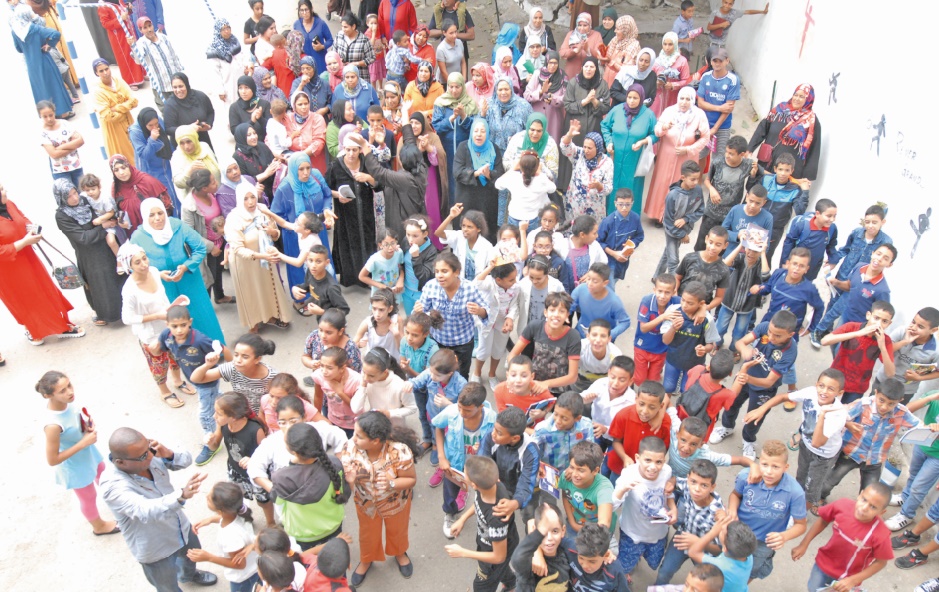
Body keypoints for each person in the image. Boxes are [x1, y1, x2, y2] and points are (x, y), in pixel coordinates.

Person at [99, 427, 216, 588]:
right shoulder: (112, 485)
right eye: (143, 455)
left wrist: (168, 453)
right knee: (167, 587)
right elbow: (144, 510)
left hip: (180, 527)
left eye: (149, 448)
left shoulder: (147, 455)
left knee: (191, 556)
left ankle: (187, 575)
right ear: (120, 462)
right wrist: (181, 495)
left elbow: (186, 460)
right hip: (156, 547)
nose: (151, 456)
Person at [339, 411, 419, 584]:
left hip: (397, 503)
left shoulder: (399, 451)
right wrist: (350, 482)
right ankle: (367, 559)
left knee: (398, 530)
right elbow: (346, 489)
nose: (353, 439)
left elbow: (411, 480)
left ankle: (399, 553)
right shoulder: (349, 449)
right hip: (365, 504)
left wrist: (392, 483)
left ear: (375, 441)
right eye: (354, 433)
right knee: (367, 535)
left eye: (359, 436)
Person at [0, 182, 84, 345]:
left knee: (43, 291)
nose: (5, 191)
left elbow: (22, 218)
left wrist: (31, 229)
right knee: (24, 299)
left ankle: (59, 326)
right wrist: (24, 242)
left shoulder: (8, 204)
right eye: (1, 190)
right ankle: (33, 330)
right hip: (8, 270)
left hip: (28, 259)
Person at [37, 370, 119, 537]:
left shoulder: (67, 403)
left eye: (69, 385)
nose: (70, 392)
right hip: (75, 466)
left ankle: (120, 506)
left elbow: (74, 420)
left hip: (89, 454)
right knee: (88, 496)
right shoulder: (52, 425)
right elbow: (52, 460)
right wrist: (83, 443)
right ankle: (99, 526)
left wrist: (86, 426)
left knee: (105, 478)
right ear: (48, 396)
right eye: (62, 391)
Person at [131, 198, 225, 342]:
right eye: (151, 215)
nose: (157, 218)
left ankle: (213, 349)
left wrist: (187, 266)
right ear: (144, 216)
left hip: (189, 280)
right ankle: (185, 359)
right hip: (162, 286)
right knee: (174, 322)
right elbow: (133, 266)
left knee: (201, 314)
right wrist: (156, 275)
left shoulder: (177, 226)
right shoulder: (138, 237)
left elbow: (199, 247)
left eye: (160, 213)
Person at [728, 440, 808, 583]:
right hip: (737, 532)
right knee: (728, 562)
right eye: (764, 465)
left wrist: (784, 536)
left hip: (763, 543)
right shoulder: (745, 476)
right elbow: (735, 495)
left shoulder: (795, 493)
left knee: (751, 570)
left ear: (786, 467)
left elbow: (801, 525)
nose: (769, 471)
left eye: (775, 466)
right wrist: (732, 510)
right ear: (759, 462)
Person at [795, 483, 893, 591]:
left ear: (881, 512)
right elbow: (823, 520)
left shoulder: (881, 534)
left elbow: (881, 562)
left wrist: (853, 580)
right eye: (864, 500)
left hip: (849, 578)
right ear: (860, 495)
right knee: (814, 589)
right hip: (823, 565)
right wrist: (803, 544)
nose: (864, 508)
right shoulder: (842, 505)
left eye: (873, 507)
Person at [52, 180, 123, 326]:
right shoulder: (62, 216)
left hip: (105, 247)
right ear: (61, 198)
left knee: (117, 277)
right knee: (100, 286)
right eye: (69, 196)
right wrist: (102, 226)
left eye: (74, 192)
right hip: (89, 256)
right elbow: (83, 238)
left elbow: (99, 213)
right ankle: (106, 314)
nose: (75, 198)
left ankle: (127, 309)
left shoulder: (84, 200)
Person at [444, 455, 519, 592]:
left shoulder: (497, 517)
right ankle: (511, 584)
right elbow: (479, 503)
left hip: (494, 554)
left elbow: (498, 556)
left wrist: (463, 553)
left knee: (480, 587)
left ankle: (511, 584)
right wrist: (462, 519)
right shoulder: (491, 486)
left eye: (464, 473)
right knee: (502, 569)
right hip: (492, 544)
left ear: (474, 485)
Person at [224, 184, 292, 332]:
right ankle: (253, 323)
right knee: (251, 292)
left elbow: (276, 234)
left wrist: (272, 231)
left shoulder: (262, 211)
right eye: (246, 198)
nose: (250, 202)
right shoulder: (234, 218)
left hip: (266, 259)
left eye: (253, 196)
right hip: (245, 263)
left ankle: (271, 316)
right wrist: (263, 256)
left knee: (267, 288)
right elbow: (238, 249)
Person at [611, 436, 677, 574]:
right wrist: (622, 489)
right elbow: (611, 507)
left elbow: (668, 493)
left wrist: (674, 509)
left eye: (658, 462)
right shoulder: (629, 474)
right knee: (624, 568)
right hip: (632, 534)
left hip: (658, 534)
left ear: (664, 461)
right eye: (648, 460)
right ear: (637, 458)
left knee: (654, 563)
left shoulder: (666, 471)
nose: (653, 467)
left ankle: (639, 556)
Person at [271, 152, 333, 291]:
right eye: (301, 169)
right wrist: (295, 228)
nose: (306, 173)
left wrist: (327, 209)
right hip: (295, 236)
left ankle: (325, 293)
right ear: (293, 169)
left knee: (320, 262)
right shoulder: (285, 188)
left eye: (308, 168)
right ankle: (301, 299)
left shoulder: (316, 176)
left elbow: (327, 195)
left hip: (318, 231)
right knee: (299, 270)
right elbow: (276, 213)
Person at [646, 87, 710, 223]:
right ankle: (658, 215)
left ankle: (676, 218)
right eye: (681, 98)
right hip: (666, 155)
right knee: (662, 183)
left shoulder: (699, 115)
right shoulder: (669, 111)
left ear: (693, 100)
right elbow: (657, 131)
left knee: (682, 185)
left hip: (686, 158)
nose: (684, 102)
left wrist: (688, 149)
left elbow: (705, 138)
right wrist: (664, 128)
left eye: (688, 99)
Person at [326, 133, 377, 287]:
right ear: (343, 148)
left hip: (366, 213)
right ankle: (351, 278)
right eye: (348, 150)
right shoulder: (336, 166)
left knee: (367, 242)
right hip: (346, 215)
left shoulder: (366, 163)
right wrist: (338, 195)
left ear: (360, 150)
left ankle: (367, 278)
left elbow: (379, 184)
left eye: (355, 150)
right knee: (348, 243)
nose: (351, 154)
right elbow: (325, 188)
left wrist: (367, 178)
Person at [602, 84, 657, 215]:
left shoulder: (648, 115)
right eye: (629, 97)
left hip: (635, 159)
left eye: (635, 98)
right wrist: (609, 142)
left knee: (632, 187)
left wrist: (643, 141)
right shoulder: (616, 110)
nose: (631, 101)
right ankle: (610, 216)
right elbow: (605, 126)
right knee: (612, 185)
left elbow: (655, 135)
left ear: (641, 99)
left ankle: (630, 218)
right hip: (615, 157)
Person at [560, 121, 614, 222]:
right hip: (574, 205)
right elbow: (565, 147)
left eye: (590, 148)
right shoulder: (579, 155)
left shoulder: (607, 162)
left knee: (591, 234)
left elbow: (609, 187)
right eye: (585, 147)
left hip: (594, 209)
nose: (586, 150)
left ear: (598, 148)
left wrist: (599, 186)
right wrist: (569, 135)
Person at [127, 15, 183, 111]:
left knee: (182, 107)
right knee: (167, 111)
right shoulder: (141, 44)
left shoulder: (164, 38)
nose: (149, 30)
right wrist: (133, 46)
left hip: (175, 82)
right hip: (161, 85)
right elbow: (138, 61)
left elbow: (173, 56)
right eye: (145, 28)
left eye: (150, 26)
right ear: (141, 30)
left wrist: (180, 75)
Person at [109, 154, 173, 235]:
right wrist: (121, 222)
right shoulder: (116, 187)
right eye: (116, 170)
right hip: (134, 234)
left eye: (123, 167)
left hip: (156, 232)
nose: (121, 173)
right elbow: (116, 212)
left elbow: (167, 207)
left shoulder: (147, 181)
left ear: (129, 166)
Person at [129, 108, 179, 212]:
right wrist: (152, 140)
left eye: (156, 124)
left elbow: (166, 139)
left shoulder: (158, 120)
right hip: (150, 169)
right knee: (163, 196)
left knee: (174, 192)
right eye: (150, 125)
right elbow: (144, 155)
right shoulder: (135, 132)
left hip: (164, 163)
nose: (155, 127)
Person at [696, 48, 738, 164]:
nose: (717, 63)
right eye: (715, 61)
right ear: (711, 62)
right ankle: (698, 180)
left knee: (719, 159)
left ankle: (713, 182)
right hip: (704, 123)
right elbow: (700, 103)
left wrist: (714, 129)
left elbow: (728, 108)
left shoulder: (733, 80)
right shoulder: (705, 77)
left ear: (727, 61)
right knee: (699, 155)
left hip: (722, 126)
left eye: (720, 61)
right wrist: (719, 108)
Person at [92, 59, 138, 165]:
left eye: (106, 69)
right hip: (114, 129)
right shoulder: (98, 92)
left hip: (129, 122)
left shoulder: (118, 81)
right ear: (96, 73)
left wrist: (116, 108)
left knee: (136, 151)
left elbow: (134, 101)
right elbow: (108, 116)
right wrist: (125, 108)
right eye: (101, 71)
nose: (105, 73)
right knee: (123, 158)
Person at [96, 0, 144, 90]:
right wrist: (120, 19)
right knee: (126, 57)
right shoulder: (103, 5)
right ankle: (130, 81)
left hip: (129, 31)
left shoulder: (119, 1)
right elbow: (105, 23)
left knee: (135, 52)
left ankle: (140, 75)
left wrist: (128, 9)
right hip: (119, 37)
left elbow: (124, 12)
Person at [171, 124, 221, 210]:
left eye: (189, 141)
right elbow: (178, 183)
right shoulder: (177, 157)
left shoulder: (204, 147)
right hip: (198, 205)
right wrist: (189, 171)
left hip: (217, 194)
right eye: (182, 143)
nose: (186, 147)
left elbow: (216, 166)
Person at [163, 72, 216, 151]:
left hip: (202, 141)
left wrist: (208, 124)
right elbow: (168, 129)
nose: (178, 90)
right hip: (184, 146)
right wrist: (188, 129)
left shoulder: (200, 96)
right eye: (175, 87)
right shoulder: (170, 105)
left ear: (187, 85)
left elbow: (210, 112)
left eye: (181, 86)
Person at [524, 52, 567, 145]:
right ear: (546, 62)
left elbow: (566, 98)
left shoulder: (562, 77)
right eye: (550, 63)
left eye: (555, 63)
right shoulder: (537, 74)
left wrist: (553, 99)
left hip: (554, 118)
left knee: (552, 144)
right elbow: (526, 95)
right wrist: (540, 92)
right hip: (537, 115)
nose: (552, 66)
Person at [38, 100, 83, 185]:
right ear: (40, 116)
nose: (49, 119)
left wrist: (59, 148)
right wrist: (73, 145)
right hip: (60, 171)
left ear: (54, 112)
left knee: (82, 193)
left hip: (76, 165)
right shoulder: (42, 133)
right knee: (67, 195)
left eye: (51, 115)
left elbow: (80, 141)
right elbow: (54, 154)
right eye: (45, 116)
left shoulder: (64, 124)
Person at [206, 18, 246, 109]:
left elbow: (242, 56)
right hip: (228, 84)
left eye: (228, 28)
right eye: (223, 29)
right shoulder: (214, 50)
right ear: (218, 31)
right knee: (232, 107)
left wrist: (246, 67)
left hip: (240, 78)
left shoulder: (234, 41)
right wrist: (220, 90)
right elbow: (214, 72)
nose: (227, 31)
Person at [651, 32, 691, 116]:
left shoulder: (682, 61)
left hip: (674, 98)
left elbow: (686, 80)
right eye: (664, 44)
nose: (667, 48)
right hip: (658, 98)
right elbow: (649, 79)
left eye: (670, 44)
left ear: (675, 45)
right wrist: (656, 83)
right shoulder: (657, 61)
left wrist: (673, 85)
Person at [428, 0, 475, 65]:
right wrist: (444, 32)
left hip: (461, 55)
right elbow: (429, 32)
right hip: (444, 55)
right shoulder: (439, 12)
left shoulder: (462, 12)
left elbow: (471, 35)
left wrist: (454, 34)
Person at [229, 75, 272, 143]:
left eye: (247, 88)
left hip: (264, 144)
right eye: (240, 88)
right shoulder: (234, 107)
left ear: (253, 88)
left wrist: (260, 118)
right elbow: (235, 131)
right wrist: (251, 121)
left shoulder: (264, 104)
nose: (243, 91)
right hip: (245, 147)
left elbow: (271, 128)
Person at [294, 0, 333, 75]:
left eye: (306, 9)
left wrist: (322, 46)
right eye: (302, 10)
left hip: (319, 60)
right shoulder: (297, 24)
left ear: (311, 9)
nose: (304, 13)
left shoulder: (321, 23)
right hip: (305, 62)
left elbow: (330, 40)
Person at [334, 14, 375, 82]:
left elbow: (371, 58)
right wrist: (338, 59)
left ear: (353, 26)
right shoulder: (339, 36)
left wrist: (356, 63)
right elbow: (334, 52)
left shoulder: (363, 40)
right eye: (342, 27)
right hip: (342, 77)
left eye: (345, 27)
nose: (343, 29)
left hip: (360, 77)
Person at [602, 15, 640, 88]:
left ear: (625, 31)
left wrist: (612, 62)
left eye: (618, 29)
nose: (615, 31)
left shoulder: (634, 46)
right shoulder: (615, 40)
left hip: (620, 85)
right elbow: (607, 54)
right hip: (607, 80)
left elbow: (627, 70)